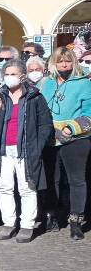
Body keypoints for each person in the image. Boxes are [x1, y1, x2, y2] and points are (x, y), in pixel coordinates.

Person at [0, 59, 53, 243]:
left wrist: (37, 147)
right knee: (4, 187)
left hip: (26, 150)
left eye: (13, 74)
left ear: (22, 76)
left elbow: (45, 125)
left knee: (27, 188)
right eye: (7, 74)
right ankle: (8, 223)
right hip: (4, 150)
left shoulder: (34, 97)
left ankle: (27, 225)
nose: (9, 77)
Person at [41, 47, 91, 240]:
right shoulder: (48, 84)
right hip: (50, 138)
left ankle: (76, 221)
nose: (64, 64)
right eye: (60, 61)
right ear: (54, 63)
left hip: (76, 138)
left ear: (73, 63)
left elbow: (88, 112)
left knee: (76, 181)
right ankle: (51, 215)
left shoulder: (83, 84)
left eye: (68, 61)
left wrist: (71, 127)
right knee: (50, 180)